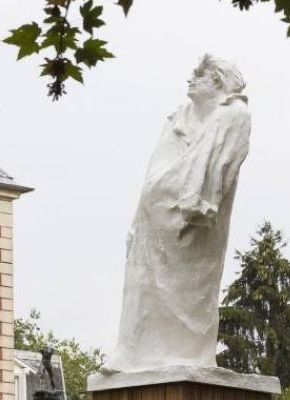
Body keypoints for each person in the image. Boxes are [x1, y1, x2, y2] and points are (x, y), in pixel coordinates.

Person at [104, 55, 251, 373]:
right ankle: (129, 349)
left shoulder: (234, 115)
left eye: (200, 74)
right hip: (153, 215)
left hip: (195, 220)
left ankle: (189, 354)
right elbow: (154, 166)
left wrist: (195, 204)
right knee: (141, 279)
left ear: (218, 81)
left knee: (192, 290)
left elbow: (222, 168)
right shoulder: (180, 115)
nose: (191, 78)